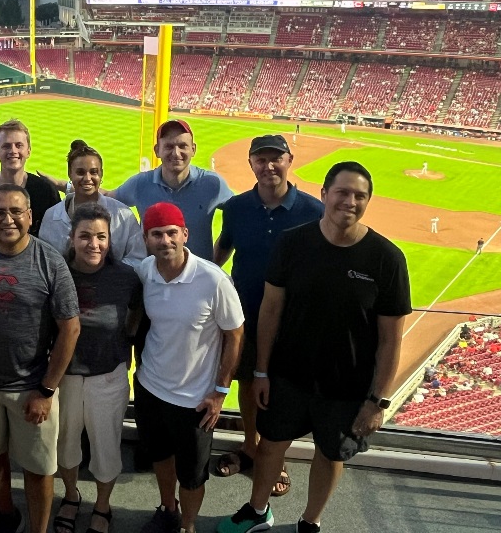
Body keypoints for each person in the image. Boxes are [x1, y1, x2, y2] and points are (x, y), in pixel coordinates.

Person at [217, 162, 411, 533]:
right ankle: (258, 511)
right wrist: (261, 371)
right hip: (288, 374)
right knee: (270, 444)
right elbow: (271, 310)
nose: (350, 201)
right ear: (324, 194)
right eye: (342, 192)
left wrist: (378, 401)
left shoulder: (386, 258)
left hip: (348, 385)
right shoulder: (293, 243)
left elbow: (391, 339)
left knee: (331, 454)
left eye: (359, 196)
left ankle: (311, 521)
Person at [0, 184, 80, 533]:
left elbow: (70, 329)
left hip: (33, 387)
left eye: (16, 212)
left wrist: (46, 390)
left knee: (39, 469)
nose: (8, 219)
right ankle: (7, 514)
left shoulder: (50, 261)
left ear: (30, 217)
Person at [211, 135, 323, 494]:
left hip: (291, 319)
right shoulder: (237, 207)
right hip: (244, 313)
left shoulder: (314, 211)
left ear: (290, 160)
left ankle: (275, 454)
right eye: (261, 159)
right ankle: (250, 446)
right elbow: (224, 248)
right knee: (247, 381)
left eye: (276, 158)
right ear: (251, 164)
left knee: (281, 387)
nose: (268, 166)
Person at [132, 203, 243, 533]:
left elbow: (235, 335)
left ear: (185, 234)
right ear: (146, 239)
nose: (165, 241)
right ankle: (168, 508)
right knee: (160, 456)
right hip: (150, 386)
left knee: (193, 475)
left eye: (171, 233)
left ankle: (188, 525)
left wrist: (220, 392)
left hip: (194, 399)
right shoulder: (145, 271)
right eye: (156, 234)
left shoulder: (213, 280)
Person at [52, 204, 142, 533]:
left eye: (101, 237)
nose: (94, 244)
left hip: (108, 376)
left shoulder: (126, 277)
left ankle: (103, 506)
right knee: (66, 444)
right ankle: (71, 495)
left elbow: (136, 313)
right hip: (65, 376)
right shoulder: (57, 272)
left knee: (106, 446)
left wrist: (122, 342)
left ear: (110, 239)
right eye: (85, 236)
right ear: (72, 238)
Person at [109, 119, 232, 260]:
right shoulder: (140, 184)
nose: (176, 153)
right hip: (151, 272)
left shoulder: (212, 184)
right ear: (157, 150)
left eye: (182, 146)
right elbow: (107, 198)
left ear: (193, 149)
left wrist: (216, 262)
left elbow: (240, 212)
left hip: (198, 273)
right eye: (169, 146)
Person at [38, 141, 145, 268]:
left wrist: (110, 274)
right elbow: (45, 262)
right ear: (70, 174)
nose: (87, 178)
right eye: (80, 172)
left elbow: (138, 258)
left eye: (93, 172)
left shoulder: (123, 215)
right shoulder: (51, 216)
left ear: (101, 174)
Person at [0, 119, 60, 237]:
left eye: (19, 145)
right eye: (6, 146)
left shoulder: (47, 191)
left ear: (28, 151)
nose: (13, 151)